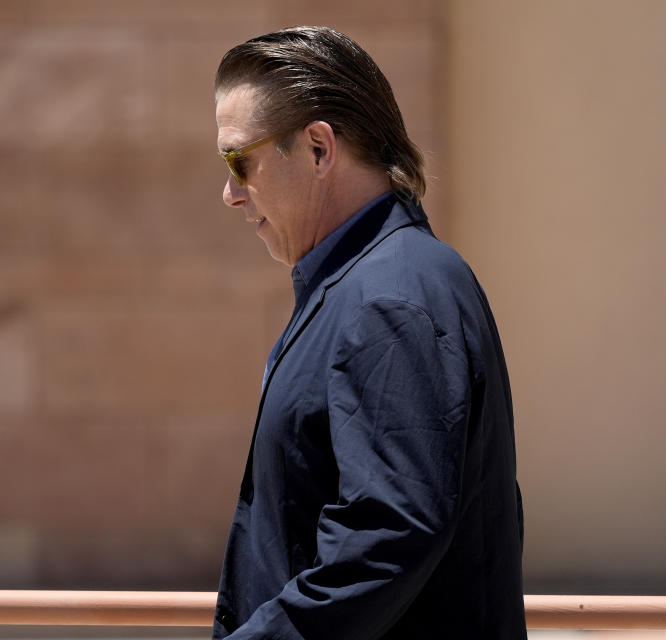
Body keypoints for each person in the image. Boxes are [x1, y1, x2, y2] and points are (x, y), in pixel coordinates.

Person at [212, 26, 526, 639]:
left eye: (238, 161)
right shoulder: (376, 282)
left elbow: (388, 535)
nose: (229, 193)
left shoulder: (389, 294)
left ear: (319, 149)